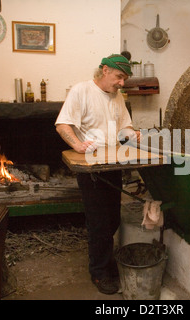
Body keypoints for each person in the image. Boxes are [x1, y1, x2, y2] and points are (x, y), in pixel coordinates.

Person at [55, 54, 141, 294]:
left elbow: (125, 127)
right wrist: (77, 145)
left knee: (113, 218)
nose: (122, 83)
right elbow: (63, 124)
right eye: (119, 77)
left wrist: (131, 135)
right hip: (91, 167)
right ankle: (99, 272)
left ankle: (105, 259)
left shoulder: (117, 98)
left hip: (112, 164)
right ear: (105, 70)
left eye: (124, 79)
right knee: (99, 221)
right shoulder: (81, 91)